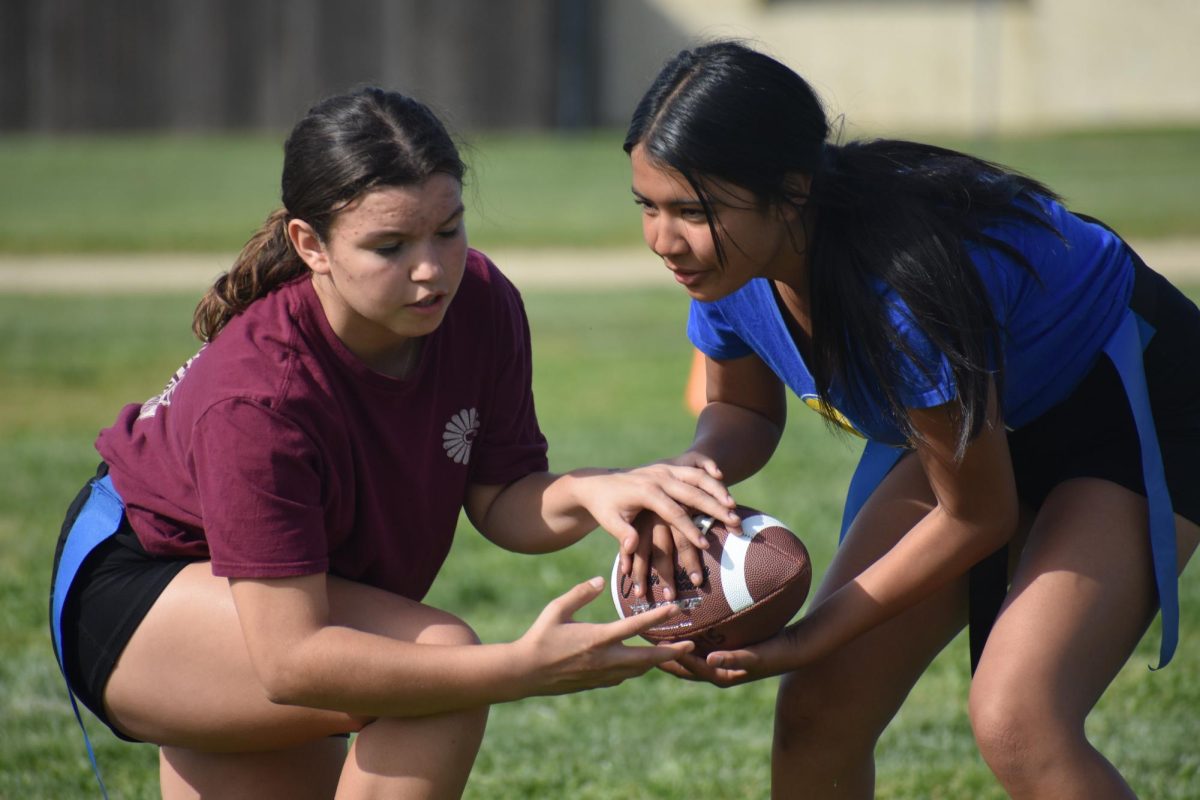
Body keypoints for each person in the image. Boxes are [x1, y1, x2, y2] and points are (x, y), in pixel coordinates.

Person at [48, 86, 741, 799]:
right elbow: (290, 661)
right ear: (310, 245)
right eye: (390, 246)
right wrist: (518, 668)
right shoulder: (260, 395)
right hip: (145, 591)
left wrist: (596, 489)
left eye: (448, 230)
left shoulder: (479, 302)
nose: (431, 270)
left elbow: (502, 499)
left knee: (435, 675)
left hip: (290, 595)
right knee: (444, 670)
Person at [621, 40, 1200, 798]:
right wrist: (689, 480)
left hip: (1127, 403)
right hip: (980, 428)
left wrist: (808, 637)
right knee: (820, 707)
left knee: (1019, 720)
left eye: (693, 211)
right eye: (648, 206)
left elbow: (977, 515)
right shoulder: (728, 264)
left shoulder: (898, 289)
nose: (665, 239)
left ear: (792, 192)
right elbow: (739, 409)